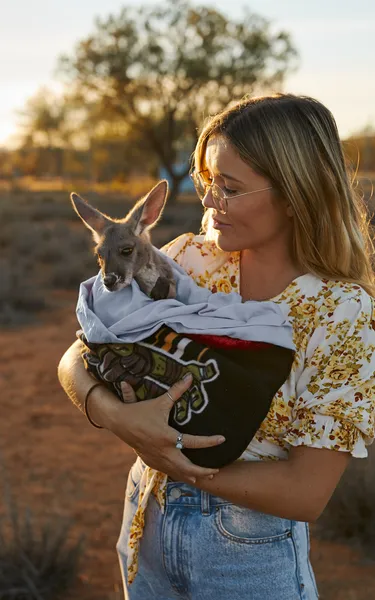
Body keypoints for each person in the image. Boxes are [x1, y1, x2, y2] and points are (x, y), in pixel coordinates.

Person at [58, 93, 375, 600]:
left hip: (249, 553)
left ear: (296, 194)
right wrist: (114, 416)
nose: (208, 203)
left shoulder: (342, 311)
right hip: (147, 527)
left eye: (228, 188)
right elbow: (79, 353)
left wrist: (173, 458)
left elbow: (307, 492)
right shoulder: (185, 260)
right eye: (208, 184)